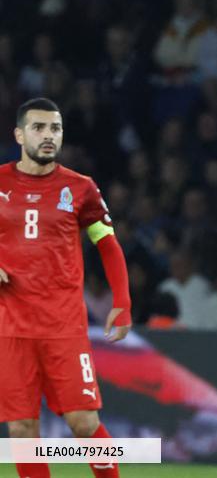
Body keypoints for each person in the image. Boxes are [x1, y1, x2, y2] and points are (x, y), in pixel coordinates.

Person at [0, 97, 131, 478]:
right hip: (10, 329)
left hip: (63, 327)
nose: (48, 136)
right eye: (39, 128)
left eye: (55, 129)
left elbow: (108, 245)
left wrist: (122, 301)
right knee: (23, 430)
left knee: (83, 423)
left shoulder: (81, 188)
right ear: (19, 134)